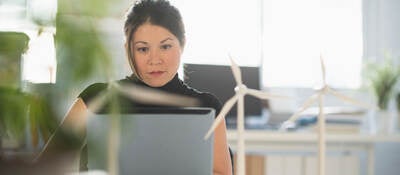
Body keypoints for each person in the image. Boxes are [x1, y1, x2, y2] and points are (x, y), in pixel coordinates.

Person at [40, 0, 233, 174]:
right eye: (143, 49)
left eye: (165, 47)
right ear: (128, 50)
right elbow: (46, 166)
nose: (154, 60)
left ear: (182, 44)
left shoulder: (207, 107)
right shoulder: (96, 98)